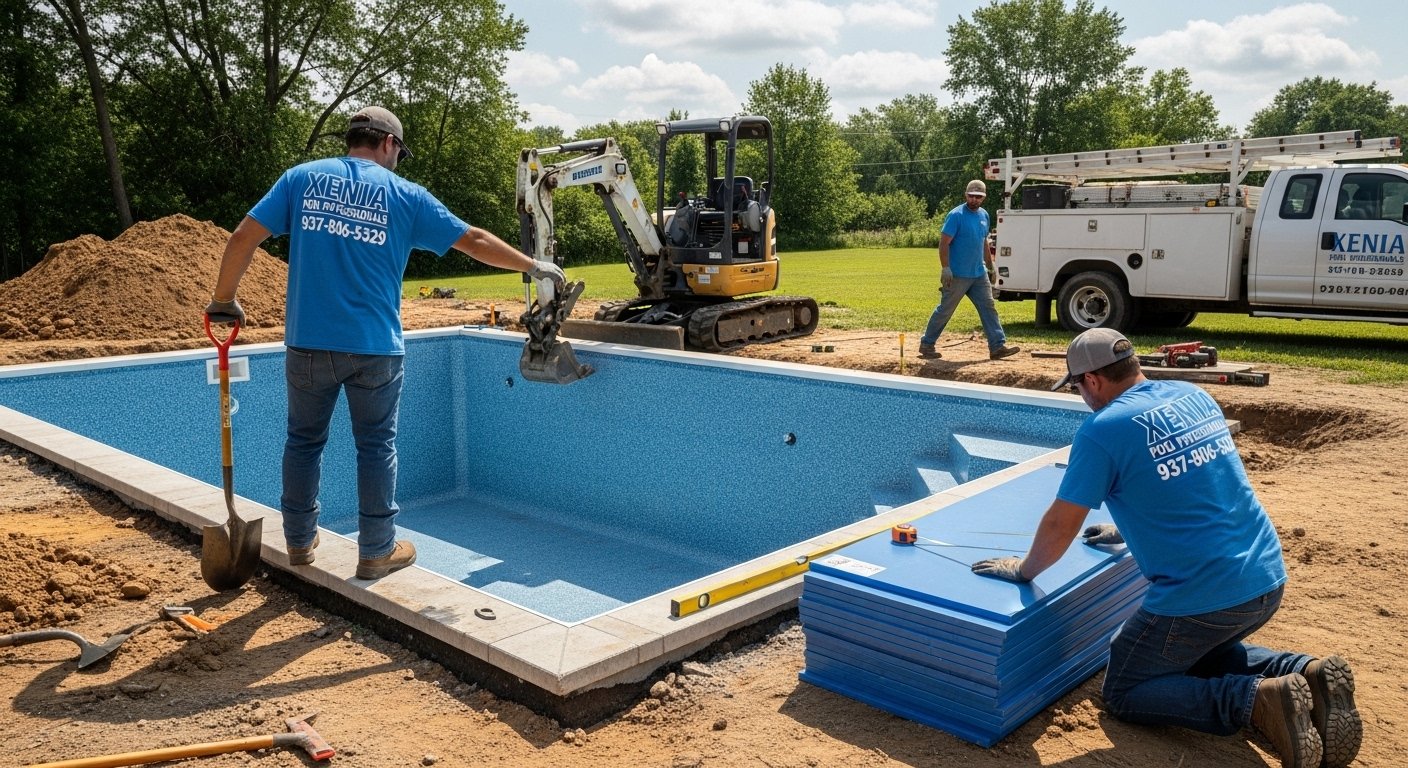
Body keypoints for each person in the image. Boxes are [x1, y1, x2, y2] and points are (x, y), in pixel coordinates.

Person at [971, 328, 1361, 768]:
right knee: (1191, 653)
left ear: (1093, 381)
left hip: (1204, 598)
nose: (1081, 396)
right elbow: (1190, 484)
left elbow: (1062, 524)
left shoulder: (1103, 430)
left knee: (1126, 687)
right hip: (1265, 578)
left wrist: (1024, 570)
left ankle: (1251, 701)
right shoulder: (1190, 395)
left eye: (1077, 386)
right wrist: (1128, 528)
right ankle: (1302, 672)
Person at [205, 106, 564, 581]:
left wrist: (224, 300)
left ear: (353, 137)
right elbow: (473, 239)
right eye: (400, 151)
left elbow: (243, 237)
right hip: (375, 347)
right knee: (375, 447)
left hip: (308, 344)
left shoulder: (301, 179)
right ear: (389, 144)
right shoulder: (406, 195)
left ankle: (298, 541)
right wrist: (532, 265)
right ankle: (376, 551)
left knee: (303, 441)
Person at [918, 179, 1019, 361]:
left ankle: (997, 346)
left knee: (989, 307)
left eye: (978, 197)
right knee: (945, 310)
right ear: (966, 195)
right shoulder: (956, 215)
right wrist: (945, 268)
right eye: (971, 196)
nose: (974, 199)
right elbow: (944, 243)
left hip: (978, 274)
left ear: (983, 198)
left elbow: (983, 243)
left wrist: (991, 265)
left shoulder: (984, 216)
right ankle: (927, 344)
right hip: (957, 275)